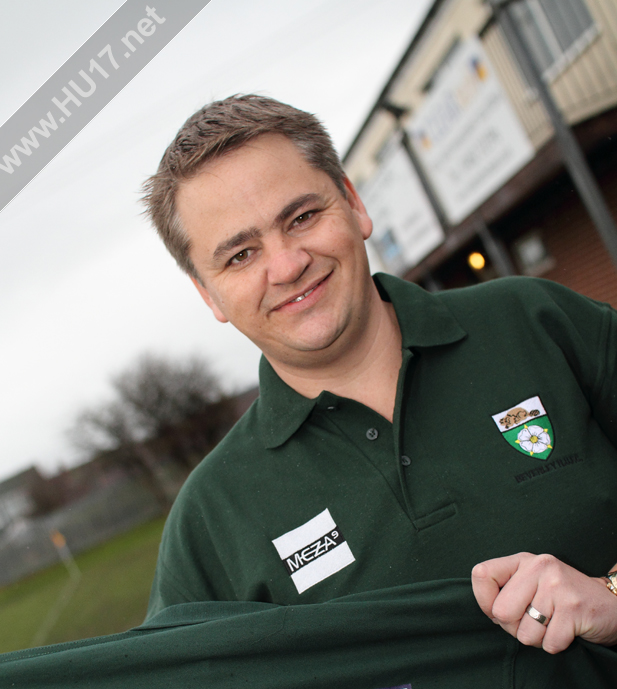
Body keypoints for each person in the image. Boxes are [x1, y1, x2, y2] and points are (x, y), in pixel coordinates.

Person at [141, 93, 617, 654]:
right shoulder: (211, 518)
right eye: (240, 255)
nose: (288, 265)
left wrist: (612, 595)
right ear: (208, 293)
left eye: (302, 218)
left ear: (353, 204)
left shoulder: (536, 323)